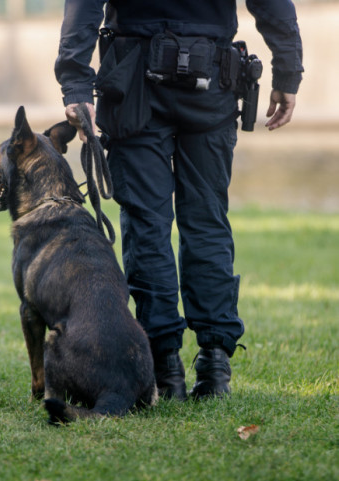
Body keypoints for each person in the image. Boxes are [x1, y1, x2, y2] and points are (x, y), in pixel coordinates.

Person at [55, 0, 303, 400]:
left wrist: (76, 85)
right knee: (206, 221)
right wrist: (288, 72)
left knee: (146, 223)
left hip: (134, 80)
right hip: (210, 78)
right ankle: (214, 362)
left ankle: (165, 366)